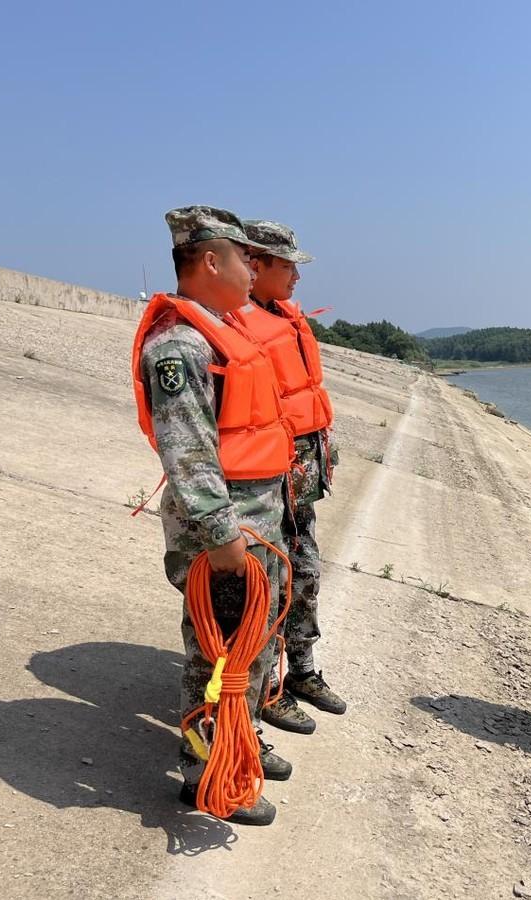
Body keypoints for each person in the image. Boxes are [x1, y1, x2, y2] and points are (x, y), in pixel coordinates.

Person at [131, 205, 293, 825]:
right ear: (209, 261)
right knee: (218, 654)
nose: (254, 270)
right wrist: (222, 536)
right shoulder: (178, 345)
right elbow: (189, 451)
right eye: (244, 258)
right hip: (223, 531)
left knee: (251, 646)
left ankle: (240, 743)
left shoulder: (223, 332)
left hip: (259, 522)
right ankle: (205, 773)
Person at [226, 219, 345, 735]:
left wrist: (325, 447)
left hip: (302, 469)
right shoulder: (234, 322)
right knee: (273, 584)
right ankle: (268, 688)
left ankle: (300, 670)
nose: (297, 275)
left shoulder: (285, 316)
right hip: (268, 477)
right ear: (255, 264)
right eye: (287, 264)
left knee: (306, 575)